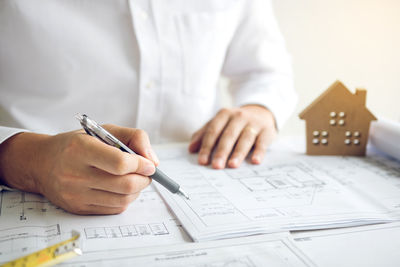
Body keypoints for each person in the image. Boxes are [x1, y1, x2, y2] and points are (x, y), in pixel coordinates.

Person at [0, 0, 297, 214]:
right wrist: (32, 164)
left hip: (205, 166)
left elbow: (266, 72)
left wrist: (261, 109)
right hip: (29, 201)